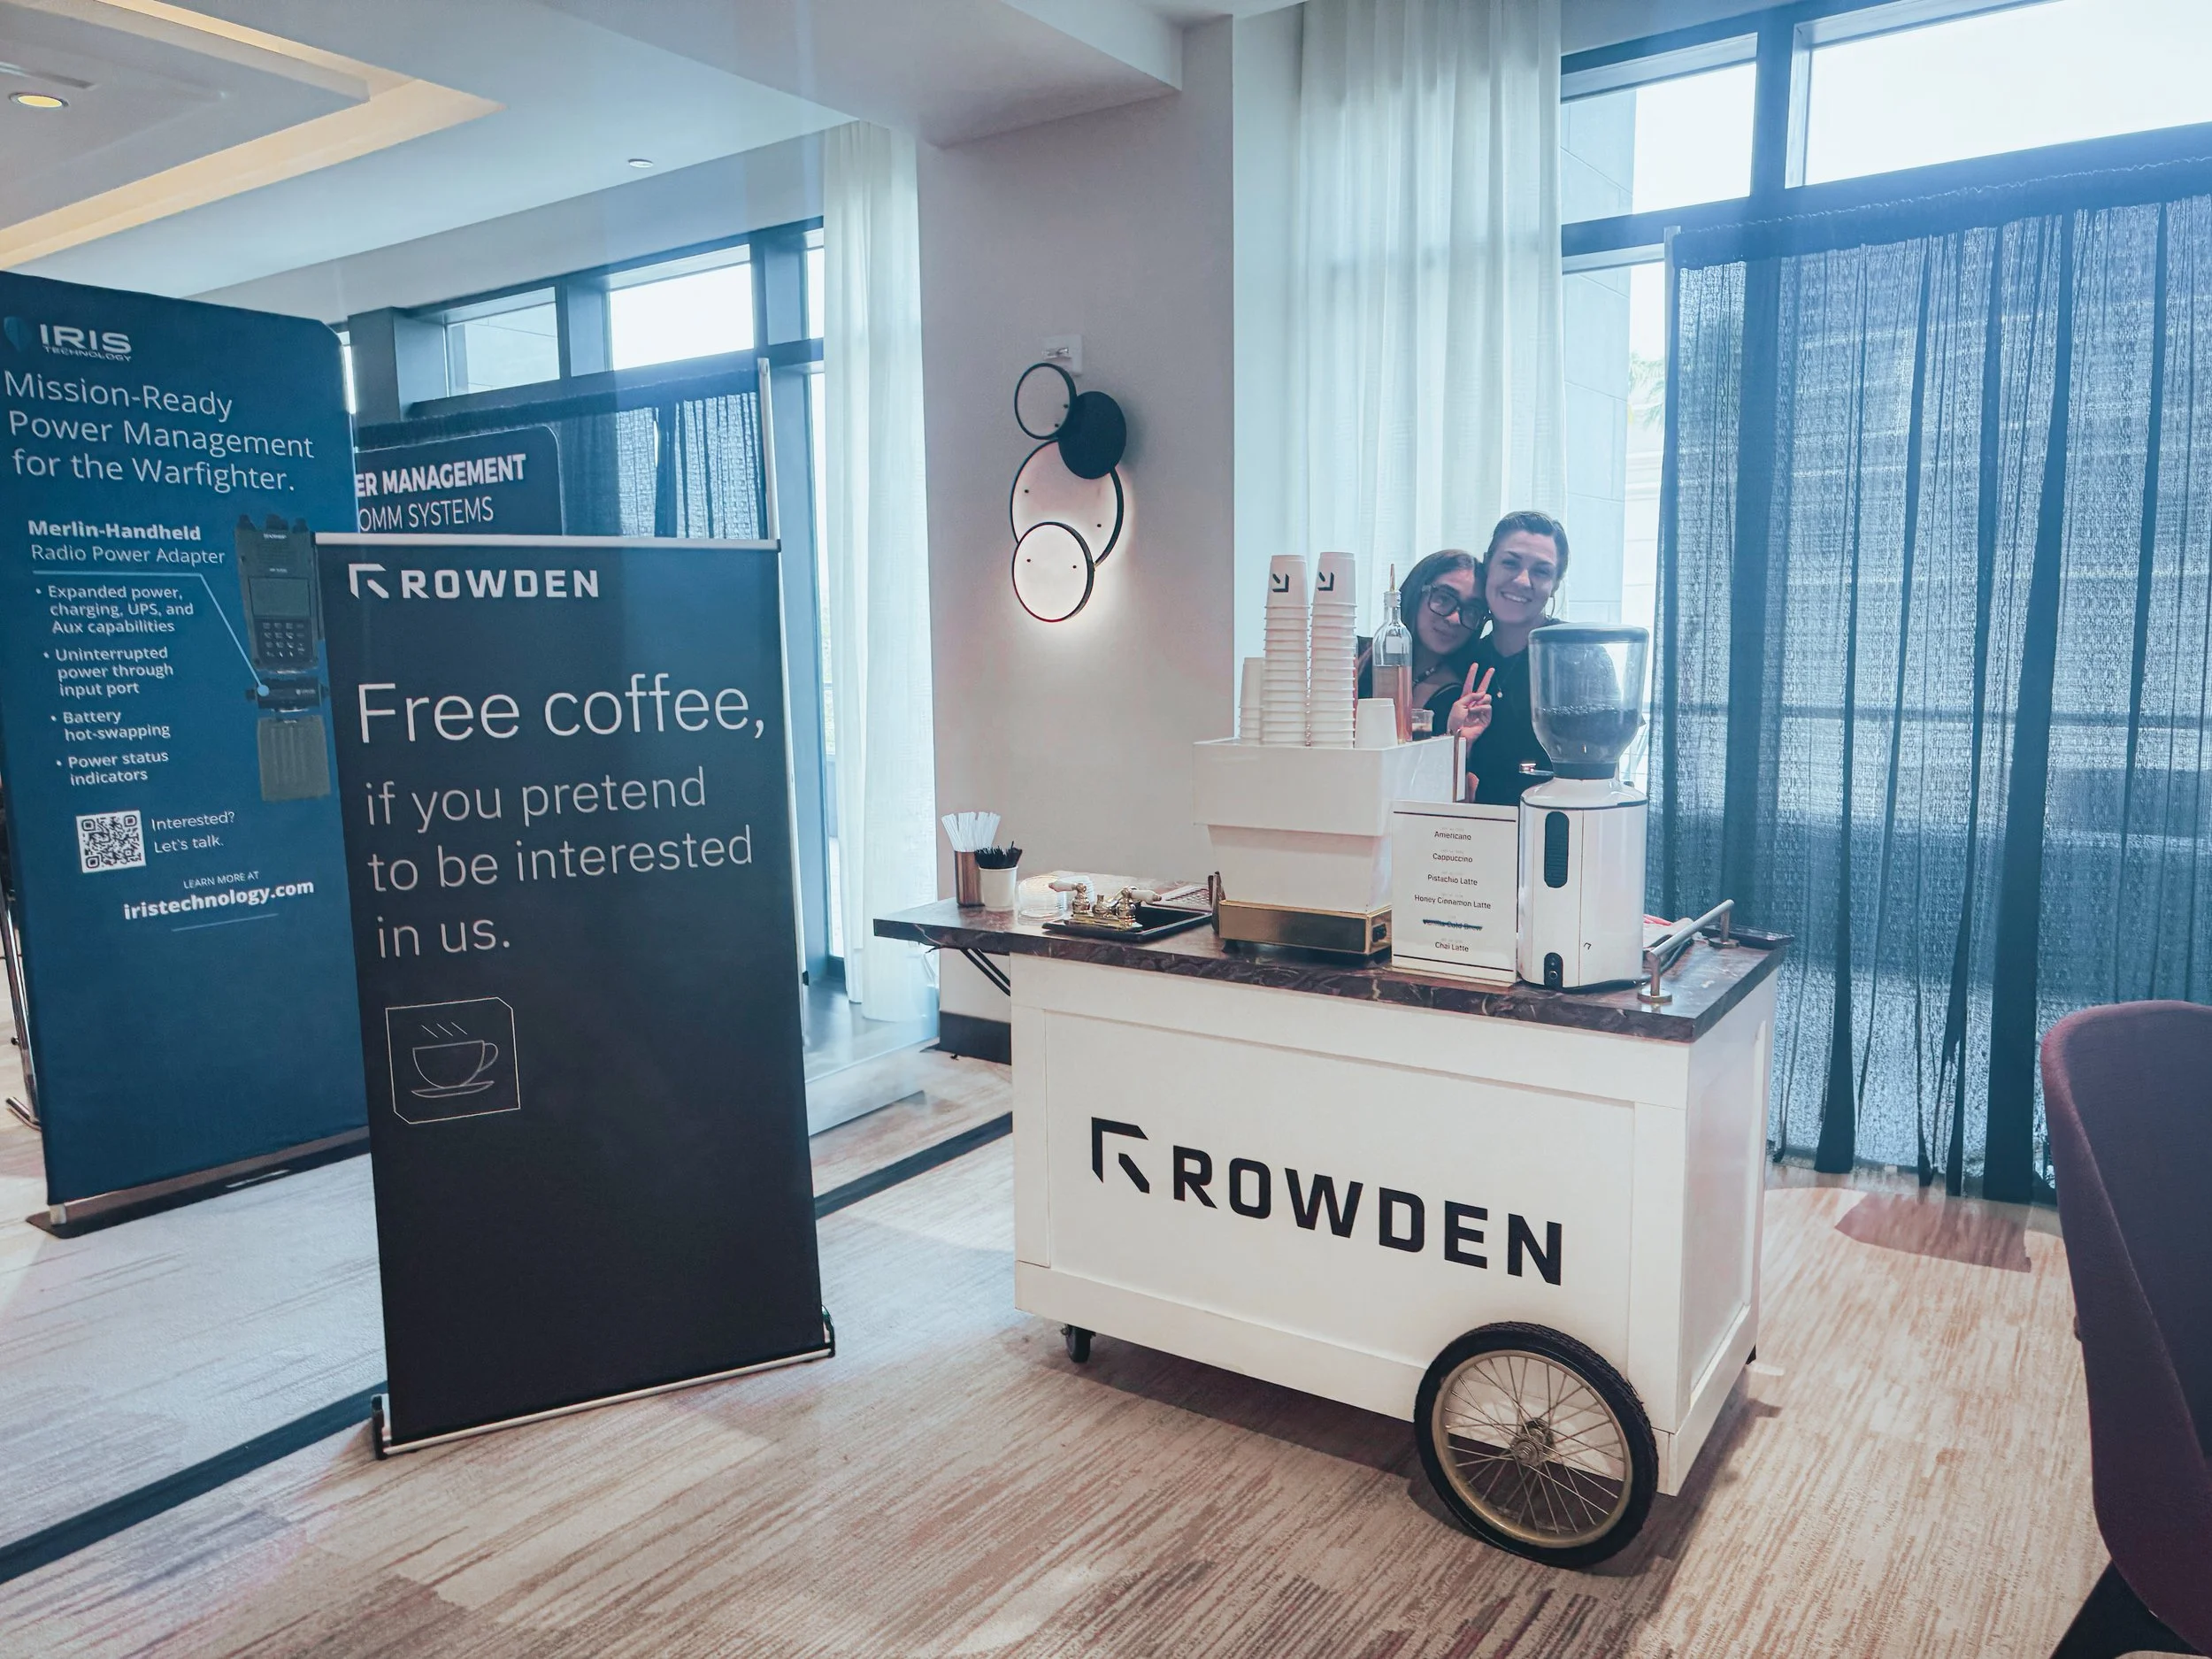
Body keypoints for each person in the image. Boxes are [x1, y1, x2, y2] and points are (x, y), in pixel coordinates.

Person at [1448, 510, 1571, 805]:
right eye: (1510, 563)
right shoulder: (1462, 656)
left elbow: (1604, 775)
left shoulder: (1575, 653)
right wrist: (1454, 742)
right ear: (1488, 564)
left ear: (1555, 584)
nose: (1521, 580)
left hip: (1559, 833)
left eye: (1541, 571)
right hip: (1471, 837)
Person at [1356, 549, 1487, 733]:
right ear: (1416, 592)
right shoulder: (1358, 657)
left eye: (1472, 610)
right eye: (1443, 598)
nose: (1454, 619)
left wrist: (1456, 741)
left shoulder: (1463, 699)